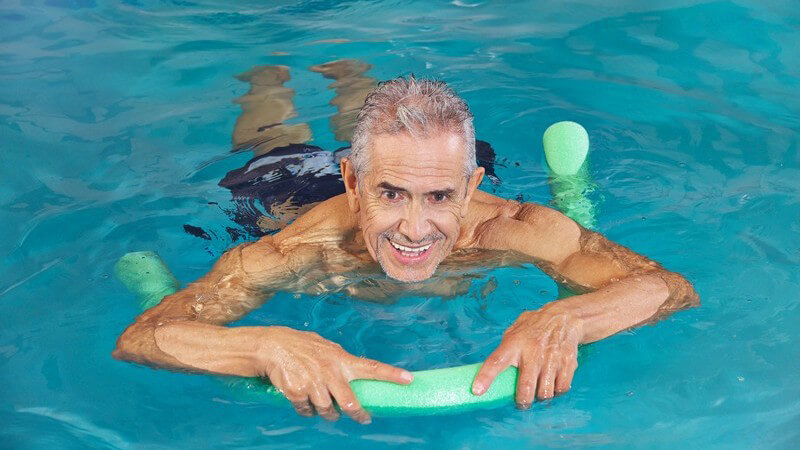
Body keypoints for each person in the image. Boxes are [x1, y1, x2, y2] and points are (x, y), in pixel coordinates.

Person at [113, 73, 699, 425]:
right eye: (391, 194)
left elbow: (669, 287)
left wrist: (570, 315)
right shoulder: (297, 250)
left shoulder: (514, 229)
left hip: (397, 164)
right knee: (274, 141)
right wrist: (265, 345)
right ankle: (269, 79)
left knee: (366, 114)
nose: (414, 230)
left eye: (440, 196)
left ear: (472, 186)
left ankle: (348, 75)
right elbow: (142, 337)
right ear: (352, 182)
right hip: (293, 192)